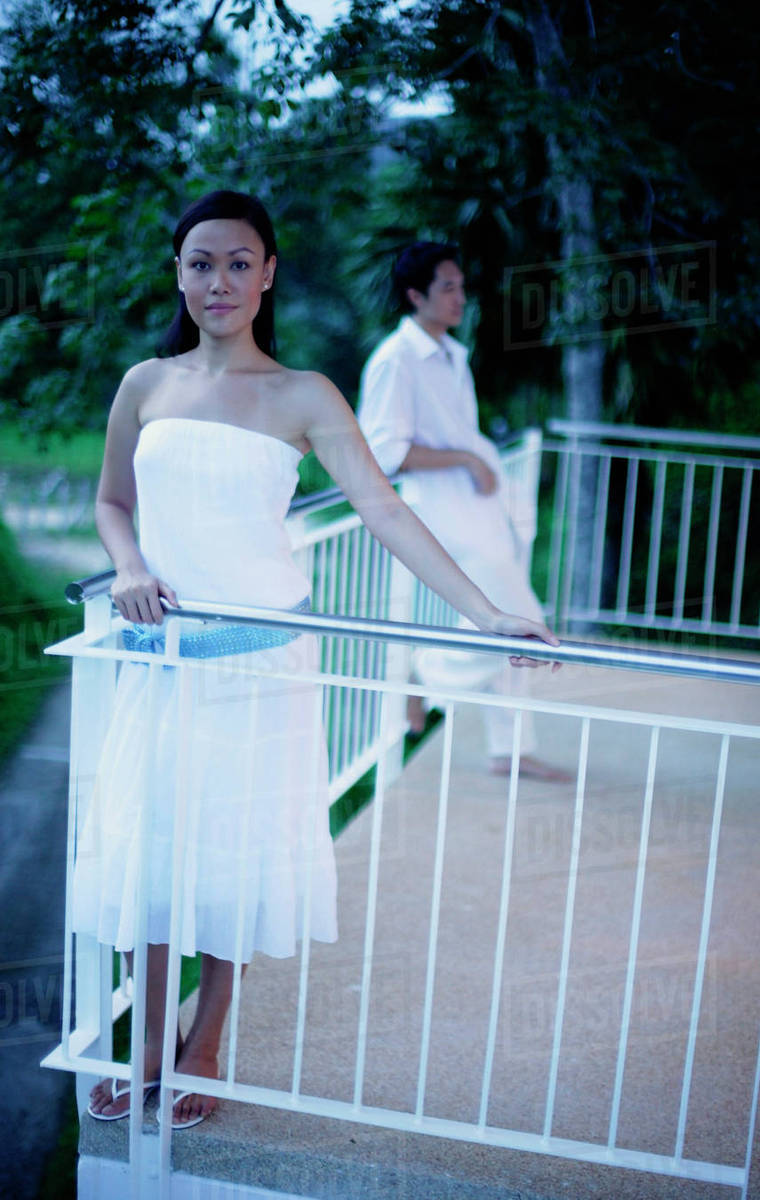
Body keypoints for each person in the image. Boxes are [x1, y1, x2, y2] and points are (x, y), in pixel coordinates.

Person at [77, 191, 559, 1129]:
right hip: (164, 659)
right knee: (153, 847)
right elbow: (110, 502)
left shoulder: (304, 393)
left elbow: (384, 511)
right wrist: (129, 566)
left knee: (230, 850)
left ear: (266, 276)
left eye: (239, 262)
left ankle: (209, 1031)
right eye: (201, 262)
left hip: (261, 663)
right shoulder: (146, 383)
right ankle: (144, 1036)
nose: (219, 280)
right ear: (178, 273)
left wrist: (488, 613)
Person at [358, 242, 571, 781]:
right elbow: (382, 452)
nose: (460, 298)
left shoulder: (453, 353)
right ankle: (423, 678)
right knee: (519, 625)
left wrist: (479, 463)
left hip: (481, 513)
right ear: (415, 295)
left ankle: (510, 750)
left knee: (519, 620)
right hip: (442, 518)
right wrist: (465, 460)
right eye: (447, 287)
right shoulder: (394, 360)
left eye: (461, 286)